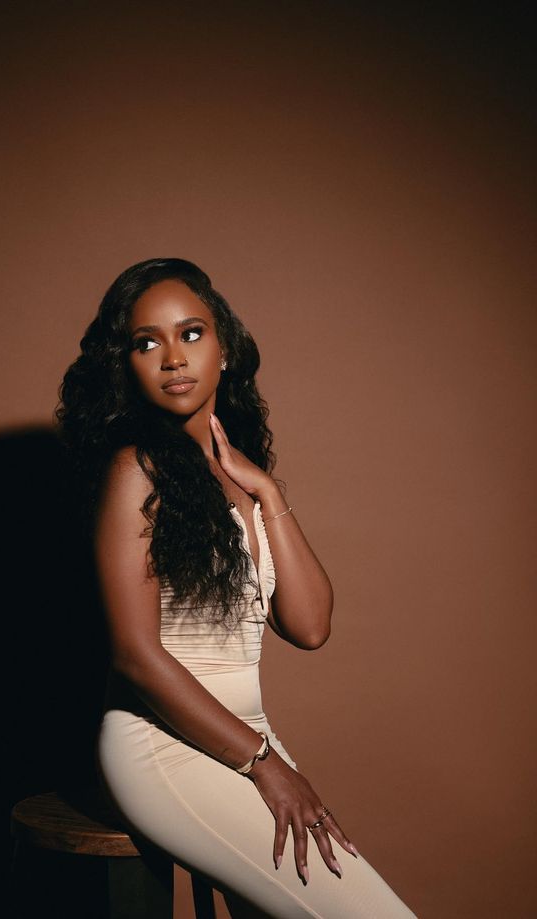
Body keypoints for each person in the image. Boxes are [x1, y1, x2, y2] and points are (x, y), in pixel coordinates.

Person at [56, 258, 415, 918]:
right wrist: (266, 765)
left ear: (224, 347)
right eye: (146, 342)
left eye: (190, 333)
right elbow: (135, 654)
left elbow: (309, 626)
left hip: (244, 737)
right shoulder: (134, 469)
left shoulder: (236, 477)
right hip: (160, 744)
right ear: (126, 365)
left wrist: (269, 493)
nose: (171, 358)